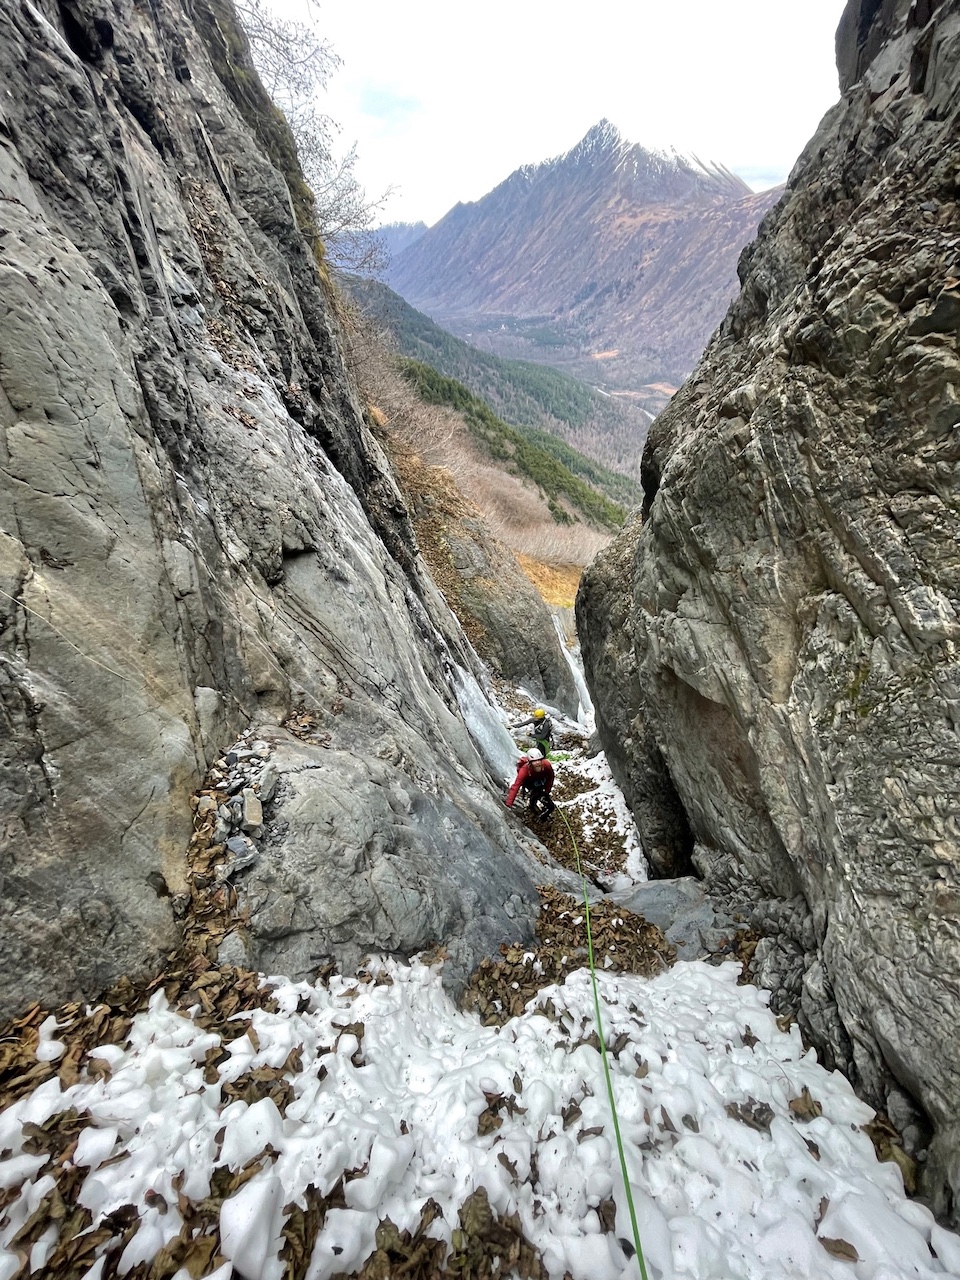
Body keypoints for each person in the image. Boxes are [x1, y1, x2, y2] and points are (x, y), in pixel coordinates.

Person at [504, 748, 556, 819]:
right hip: (530, 783)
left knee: (550, 805)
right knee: (536, 793)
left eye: (539, 760)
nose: (537, 763)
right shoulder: (524, 770)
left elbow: (551, 778)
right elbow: (516, 786)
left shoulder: (546, 765)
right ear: (530, 762)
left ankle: (540, 813)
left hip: (541, 780)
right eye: (534, 761)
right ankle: (533, 807)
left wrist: (547, 792)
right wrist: (509, 804)